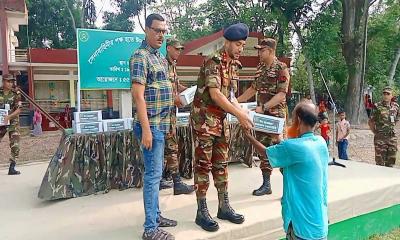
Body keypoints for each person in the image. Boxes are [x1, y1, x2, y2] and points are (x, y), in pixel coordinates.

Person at [190, 23, 253, 232]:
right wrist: (239, 115)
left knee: (221, 164)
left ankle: (223, 206)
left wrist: (243, 114)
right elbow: (216, 95)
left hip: (220, 122)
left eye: (243, 45)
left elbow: (231, 96)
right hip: (204, 121)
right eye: (238, 44)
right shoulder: (213, 61)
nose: (240, 49)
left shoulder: (233, 65)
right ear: (227, 42)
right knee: (203, 165)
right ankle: (201, 211)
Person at [244, 102, 329, 240]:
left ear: (299, 120)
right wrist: (279, 139)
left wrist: (248, 136)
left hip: (302, 227)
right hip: (319, 222)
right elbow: (293, 151)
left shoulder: (293, 147)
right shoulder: (320, 142)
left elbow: (266, 153)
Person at [130, 14, 176, 240]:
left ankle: (156, 216)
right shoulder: (140, 57)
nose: (161, 35)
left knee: (157, 176)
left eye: (164, 31)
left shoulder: (160, 57)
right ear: (147, 30)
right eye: (157, 30)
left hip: (162, 125)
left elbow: (161, 90)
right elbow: (138, 97)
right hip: (151, 126)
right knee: (152, 176)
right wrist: (146, 130)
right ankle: (150, 229)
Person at [237, 38, 290, 196]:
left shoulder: (282, 68)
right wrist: (235, 101)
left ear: (271, 51)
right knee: (263, 150)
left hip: (276, 116)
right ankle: (266, 185)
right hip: (262, 116)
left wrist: (264, 107)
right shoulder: (260, 68)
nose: (259, 53)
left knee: (280, 151)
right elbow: (254, 88)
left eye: (262, 50)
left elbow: (282, 94)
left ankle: (290, 187)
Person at [159, 38, 194, 195]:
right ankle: (177, 183)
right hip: (163, 115)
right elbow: (161, 90)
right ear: (168, 48)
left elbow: (176, 86)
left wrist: (189, 90)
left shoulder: (173, 66)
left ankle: (160, 179)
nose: (179, 52)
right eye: (177, 49)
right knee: (171, 147)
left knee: (165, 147)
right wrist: (176, 99)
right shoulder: (162, 65)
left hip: (171, 113)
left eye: (180, 49)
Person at [368, 87, 399, 168]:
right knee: (380, 162)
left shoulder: (395, 106)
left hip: (392, 137)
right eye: (384, 93)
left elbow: (396, 119)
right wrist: (375, 132)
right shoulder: (377, 106)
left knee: (391, 161)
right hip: (380, 138)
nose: (386, 95)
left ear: (392, 95)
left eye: (388, 94)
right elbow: (371, 121)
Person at [0, 74, 22, 175]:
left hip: (13, 122)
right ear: (3, 81)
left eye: (12, 81)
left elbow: (19, 109)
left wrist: (9, 117)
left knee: (15, 145)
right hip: (1, 122)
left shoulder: (16, 93)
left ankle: (12, 167)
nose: (10, 83)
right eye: (8, 81)